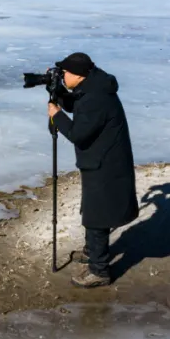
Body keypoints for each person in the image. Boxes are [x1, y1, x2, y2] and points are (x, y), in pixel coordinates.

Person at [47, 52, 138, 288]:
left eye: (65, 73)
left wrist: (57, 116)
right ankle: (93, 251)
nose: (63, 76)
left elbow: (79, 134)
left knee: (97, 216)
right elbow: (79, 103)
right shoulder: (95, 86)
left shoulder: (96, 98)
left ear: (78, 75)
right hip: (102, 160)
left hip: (105, 164)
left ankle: (99, 270)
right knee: (93, 209)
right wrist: (60, 97)